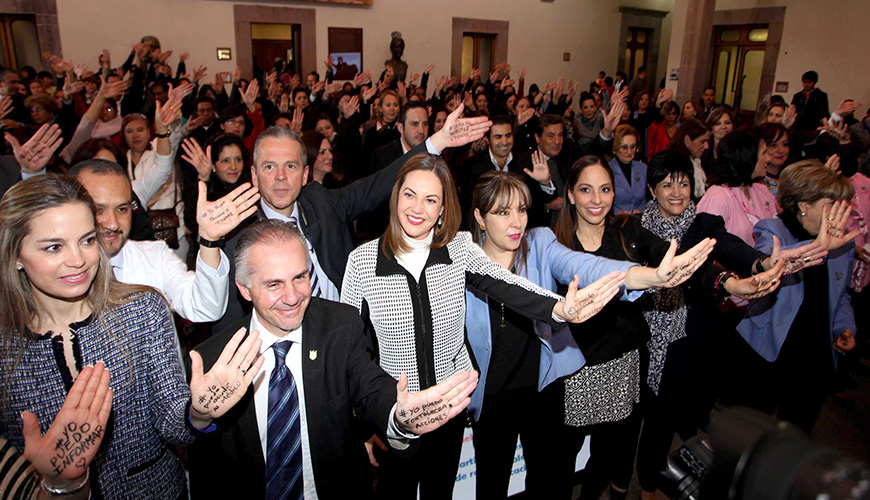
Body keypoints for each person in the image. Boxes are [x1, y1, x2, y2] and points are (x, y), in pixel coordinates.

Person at [341, 153, 626, 499]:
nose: (418, 208)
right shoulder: (362, 261)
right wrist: (365, 424)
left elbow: (507, 284)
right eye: (410, 195)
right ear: (395, 195)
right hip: (395, 418)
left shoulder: (458, 249)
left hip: (449, 415)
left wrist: (561, 308)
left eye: (431, 199)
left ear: (443, 208)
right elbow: (352, 353)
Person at [0, 174, 263, 498]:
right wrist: (63, 483)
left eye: (86, 240)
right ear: (15, 256)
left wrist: (198, 413)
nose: (78, 260)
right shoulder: (5, 349)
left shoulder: (142, 309)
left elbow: (170, 419)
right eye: (54, 247)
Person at [466, 170, 715, 499]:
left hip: (544, 391)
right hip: (492, 398)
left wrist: (650, 276)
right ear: (479, 218)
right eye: (502, 212)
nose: (516, 222)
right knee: (492, 486)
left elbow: (586, 264)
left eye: (522, 209)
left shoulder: (539, 244)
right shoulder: (463, 261)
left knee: (549, 483)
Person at [187, 219, 478, 498]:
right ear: (244, 289)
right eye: (274, 284)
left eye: (300, 277)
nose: (292, 297)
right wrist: (199, 419)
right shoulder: (213, 361)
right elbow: (208, 470)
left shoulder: (340, 325)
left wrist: (398, 416)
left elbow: (370, 387)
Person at [214, 104, 492, 331]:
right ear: (253, 175)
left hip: (342, 331)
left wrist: (437, 142)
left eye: (290, 166)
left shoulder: (319, 201)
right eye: (269, 167)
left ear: (306, 174)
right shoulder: (238, 235)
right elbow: (230, 320)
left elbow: (376, 185)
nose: (281, 178)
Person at [550, 156, 713, 500]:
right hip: (574, 369)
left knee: (606, 457)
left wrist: (726, 281)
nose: (597, 199)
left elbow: (672, 262)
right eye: (586, 190)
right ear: (571, 195)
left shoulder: (629, 232)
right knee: (562, 461)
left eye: (605, 189)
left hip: (622, 366)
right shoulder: (555, 246)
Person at [736, 161, 858, 432]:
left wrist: (844, 327)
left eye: (844, 205)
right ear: (804, 204)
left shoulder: (844, 243)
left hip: (815, 350)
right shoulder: (773, 230)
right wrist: (819, 246)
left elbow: (841, 295)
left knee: (797, 430)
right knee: (751, 429)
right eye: (832, 204)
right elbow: (772, 262)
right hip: (772, 347)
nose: (840, 214)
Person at [71, 157, 256, 323]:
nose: (112, 224)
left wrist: (209, 241)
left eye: (122, 209)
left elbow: (205, 308)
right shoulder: (56, 273)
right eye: (98, 210)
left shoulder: (155, 257)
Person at [697, 127, 778, 246]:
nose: (769, 159)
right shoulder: (717, 197)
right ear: (747, 157)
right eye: (764, 153)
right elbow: (705, 245)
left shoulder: (760, 189)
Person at [668, 118, 711, 199]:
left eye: (707, 142)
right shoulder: (675, 165)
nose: (706, 146)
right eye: (702, 142)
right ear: (687, 140)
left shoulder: (699, 162)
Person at [608, 125, 647, 214]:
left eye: (632, 147)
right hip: (616, 220)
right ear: (615, 148)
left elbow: (648, 197)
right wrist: (617, 212)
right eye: (624, 147)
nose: (629, 151)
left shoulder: (643, 168)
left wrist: (642, 210)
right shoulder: (608, 170)